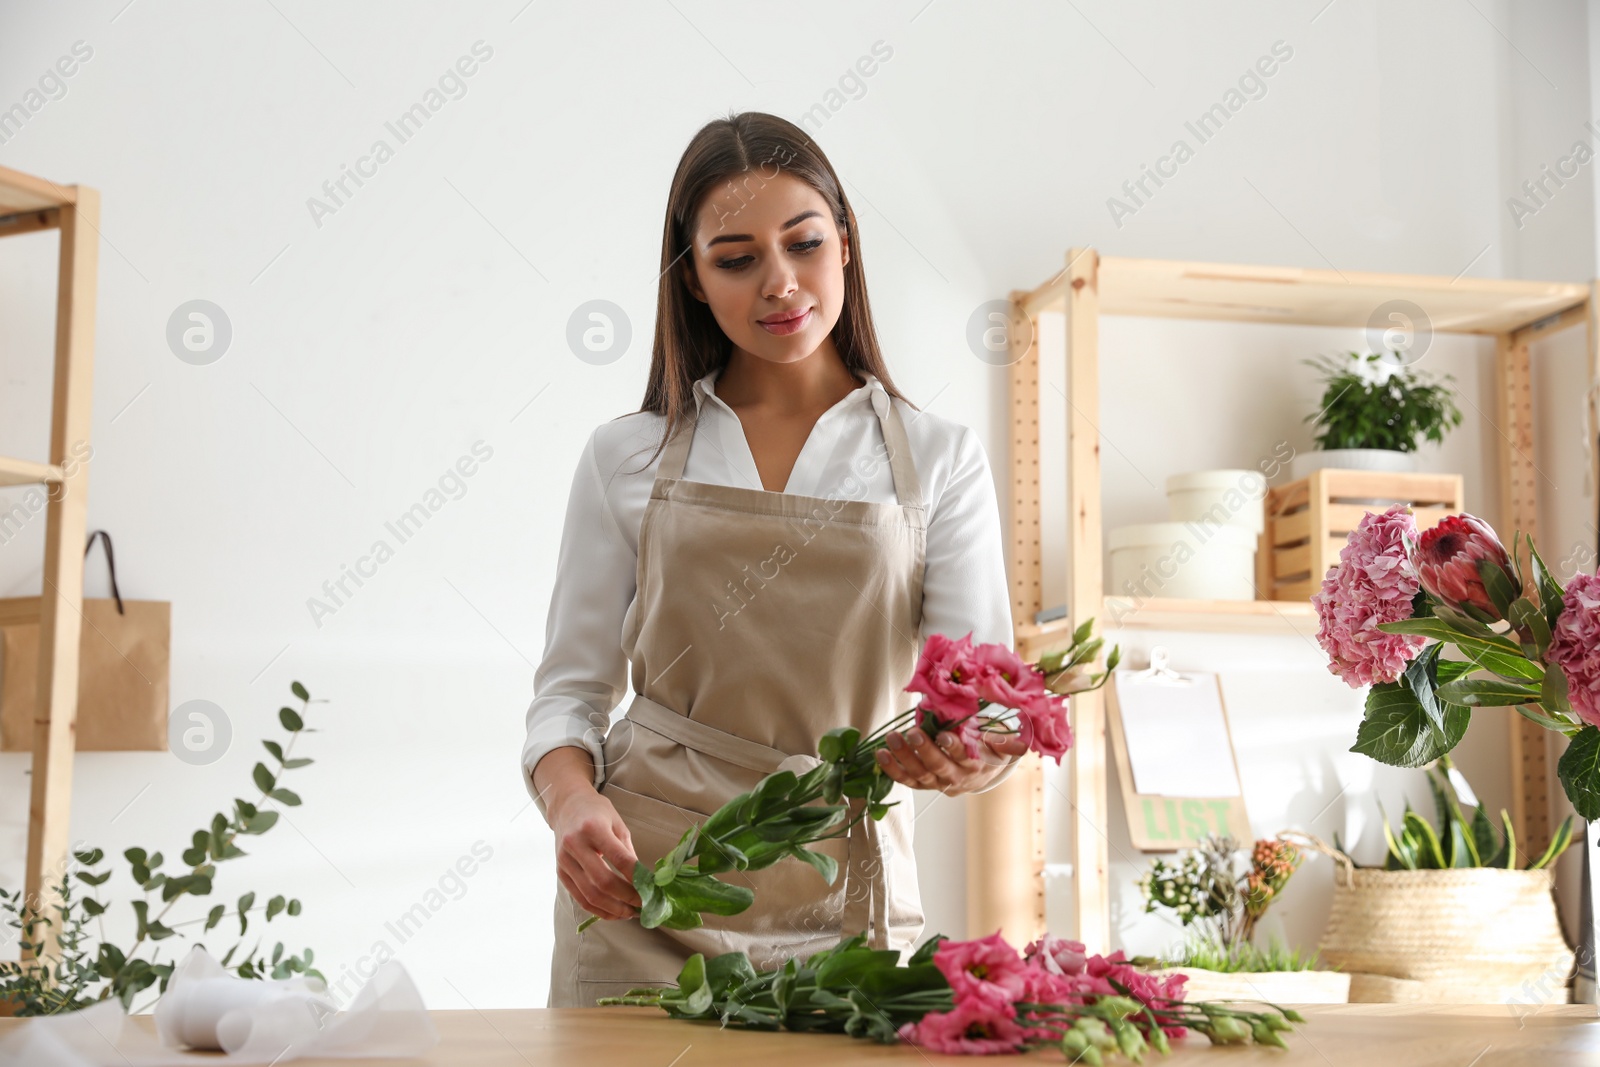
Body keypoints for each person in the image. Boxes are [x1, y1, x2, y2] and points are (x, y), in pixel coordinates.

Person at [523, 111, 1022, 1008]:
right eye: (736, 257)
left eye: (804, 243)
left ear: (846, 244)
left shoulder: (938, 458)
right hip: (649, 889)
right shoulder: (626, 456)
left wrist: (971, 753)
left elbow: (985, 700)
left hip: (846, 898)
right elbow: (568, 694)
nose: (781, 284)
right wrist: (569, 803)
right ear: (695, 280)